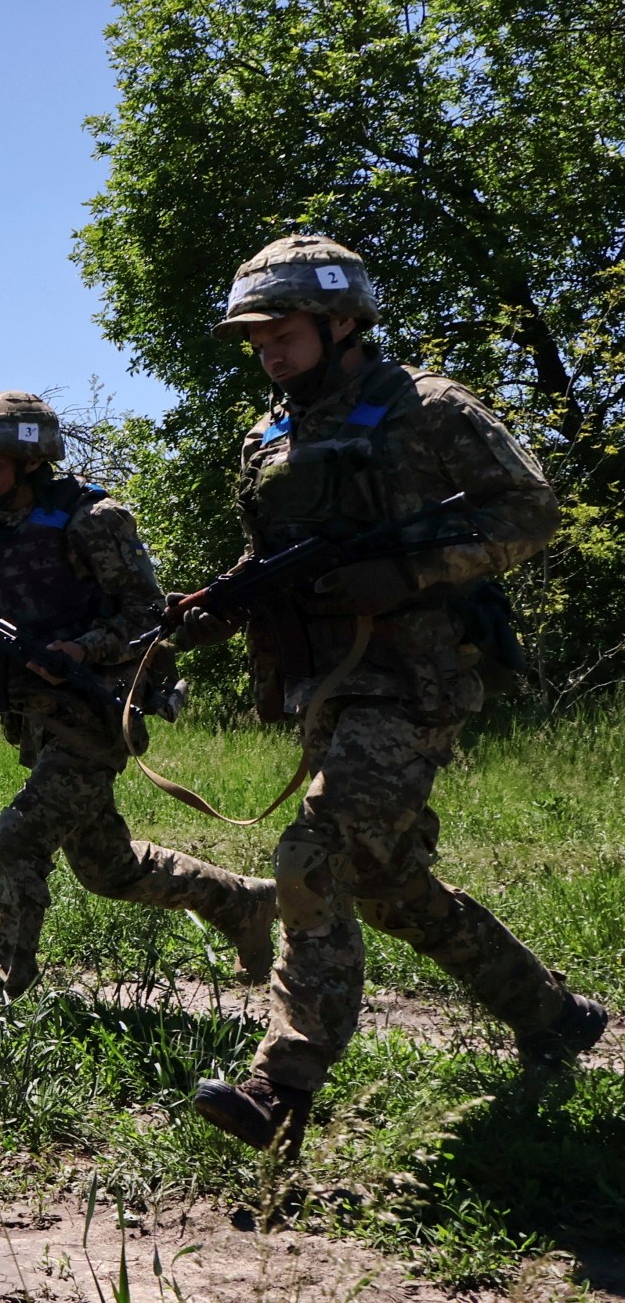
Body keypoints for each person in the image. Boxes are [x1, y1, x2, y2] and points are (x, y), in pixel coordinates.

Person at [183, 235, 607, 1155]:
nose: (269, 351)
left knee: (316, 855)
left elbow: (531, 509)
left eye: (283, 331)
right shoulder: (268, 436)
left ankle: (282, 1080)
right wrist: (220, 605)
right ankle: (551, 1016)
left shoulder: (428, 406)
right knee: (388, 886)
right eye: (256, 339)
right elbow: (272, 560)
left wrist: (413, 568)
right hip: (328, 685)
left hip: (417, 678)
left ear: (343, 323)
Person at [0, 393, 276, 1006]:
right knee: (108, 869)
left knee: (18, 840)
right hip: (32, 721)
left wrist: (84, 649)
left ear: (31, 461)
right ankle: (243, 901)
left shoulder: (93, 519)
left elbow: (148, 613)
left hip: (95, 714)